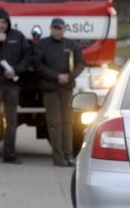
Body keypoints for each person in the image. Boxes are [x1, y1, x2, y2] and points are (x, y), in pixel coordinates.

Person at [0, 8, 30, 165]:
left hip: (11, 85)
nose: (1, 25)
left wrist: (16, 70)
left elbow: (27, 57)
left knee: (11, 122)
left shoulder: (18, 37)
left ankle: (9, 154)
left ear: (8, 23)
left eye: (4, 22)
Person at [34, 17, 85, 167]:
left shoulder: (72, 45)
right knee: (55, 124)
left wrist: (70, 76)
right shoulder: (42, 44)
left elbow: (80, 63)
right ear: (51, 29)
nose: (58, 30)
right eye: (55, 28)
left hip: (67, 89)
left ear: (64, 29)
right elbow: (38, 65)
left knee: (68, 123)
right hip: (50, 89)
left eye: (60, 28)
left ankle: (69, 156)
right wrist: (56, 76)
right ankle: (58, 157)